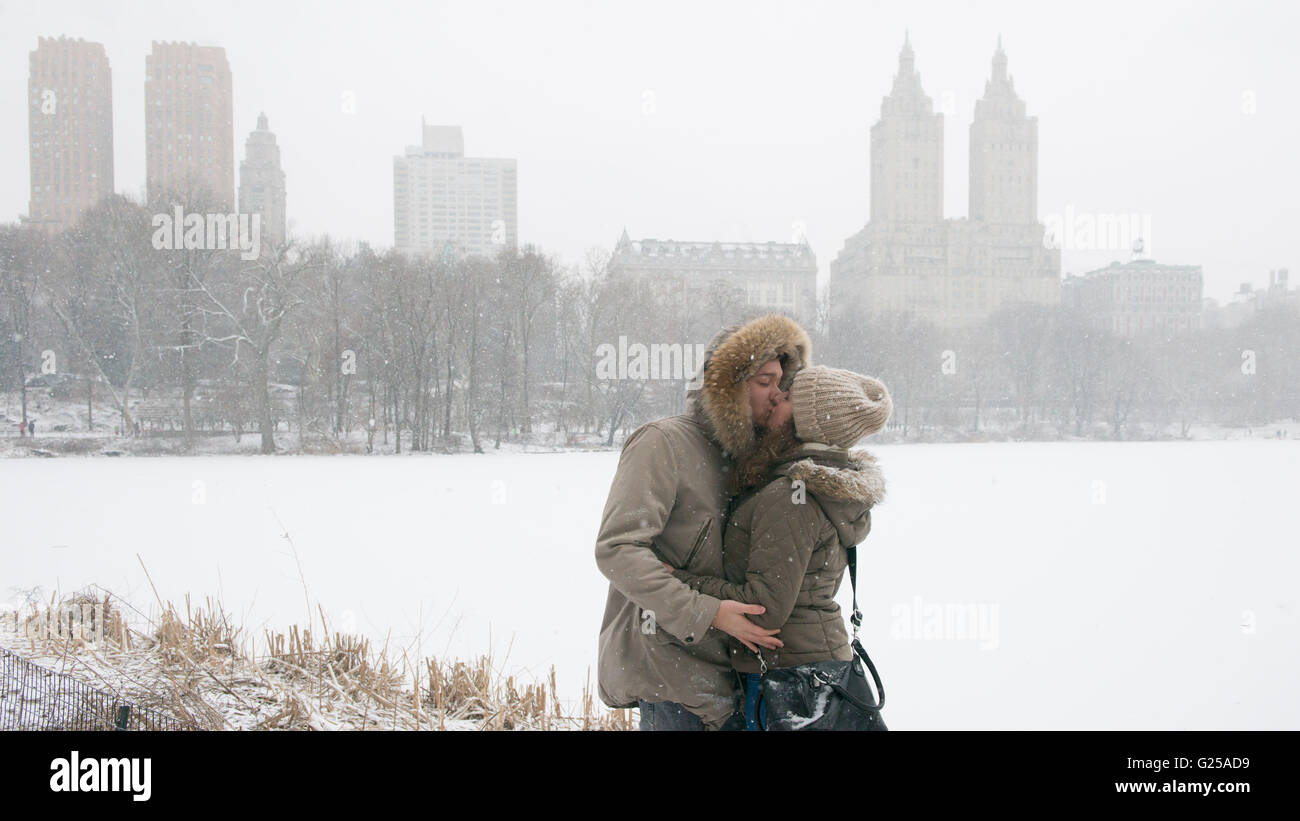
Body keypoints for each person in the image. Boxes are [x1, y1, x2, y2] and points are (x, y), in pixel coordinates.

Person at [595, 314, 813, 730]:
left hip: (730, 674)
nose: (775, 394)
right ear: (728, 385)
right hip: (670, 674)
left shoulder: (759, 461)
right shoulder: (663, 442)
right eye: (763, 381)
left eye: (781, 383)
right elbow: (618, 550)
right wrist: (708, 612)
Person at [668, 365, 892, 730]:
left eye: (788, 397)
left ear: (808, 420)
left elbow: (763, 608)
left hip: (789, 678)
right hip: (817, 667)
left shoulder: (791, 495)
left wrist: (682, 581)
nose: (777, 399)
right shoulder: (820, 485)